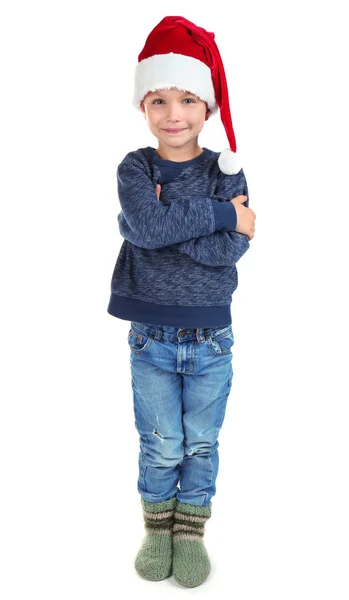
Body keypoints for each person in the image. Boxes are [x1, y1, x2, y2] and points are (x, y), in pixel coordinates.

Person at [107, 15, 256, 588]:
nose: (174, 114)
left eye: (188, 99)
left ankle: (190, 532)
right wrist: (223, 216)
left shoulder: (227, 170)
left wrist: (159, 222)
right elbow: (147, 227)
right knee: (161, 441)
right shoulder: (135, 167)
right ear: (143, 108)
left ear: (208, 107)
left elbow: (227, 255)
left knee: (201, 440)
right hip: (151, 335)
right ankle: (157, 529)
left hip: (211, 337)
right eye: (159, 100)